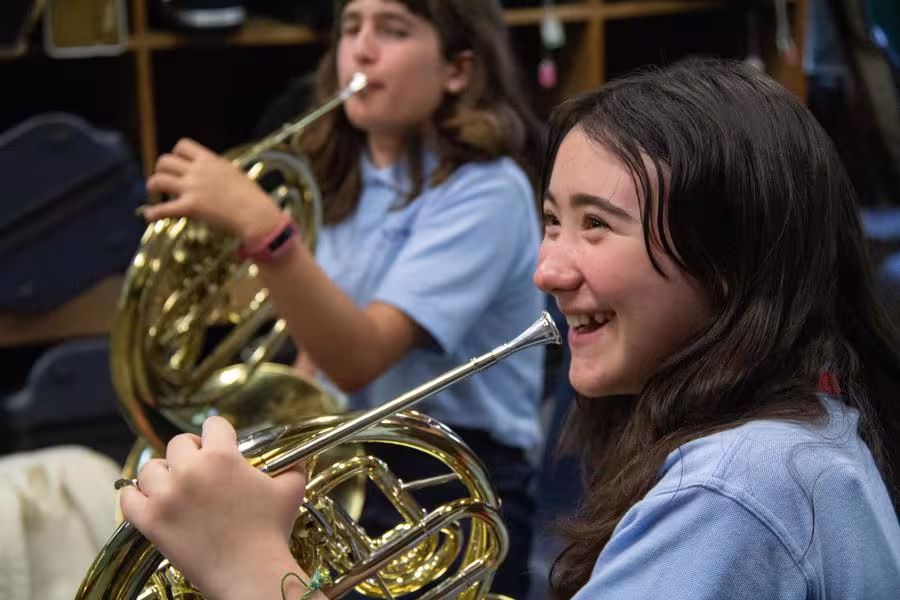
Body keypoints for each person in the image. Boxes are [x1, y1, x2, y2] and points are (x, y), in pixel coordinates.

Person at [132, 0, 545, 597]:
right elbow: (316, 366)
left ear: (458, 70)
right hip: (353, 456)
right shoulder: (338, 184)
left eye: (393, 29)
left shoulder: (489, 190)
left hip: (450, 479)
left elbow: (359, 354)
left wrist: (267, 235)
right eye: (351, 27)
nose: (363, 48)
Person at [534, 58, 900, 598]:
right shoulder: (801, 432)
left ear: (728, 260)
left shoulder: (732, 487)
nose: (549, 272)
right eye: (552, 222)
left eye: (596, 224)